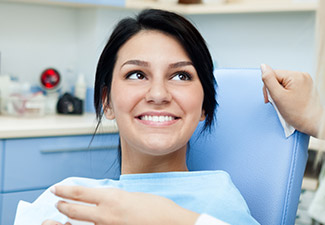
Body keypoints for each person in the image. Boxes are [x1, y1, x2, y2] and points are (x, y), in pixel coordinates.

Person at [14, 9, 259, 225]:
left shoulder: (219, 203)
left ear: (204, 105)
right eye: (136, 75)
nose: (159, 94)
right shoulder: (65, 200)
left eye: (181, 76)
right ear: (106, 101)